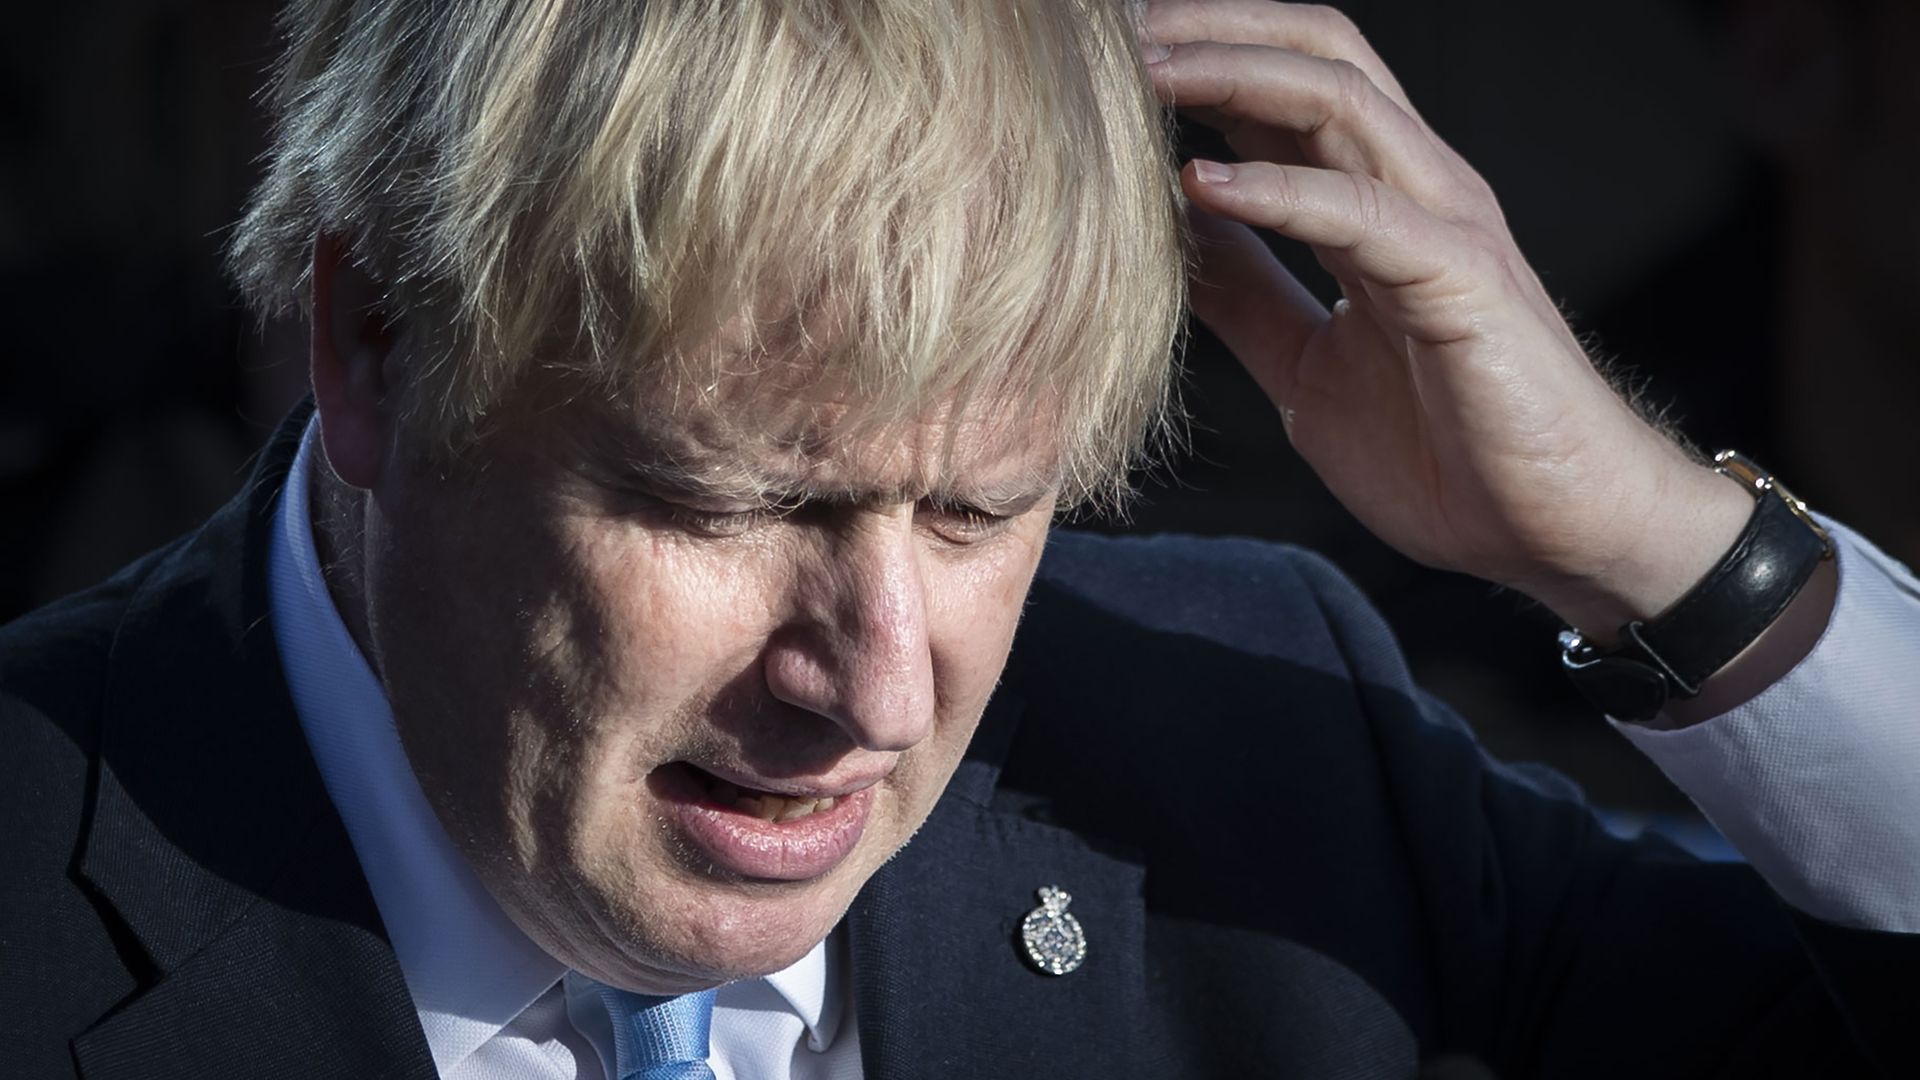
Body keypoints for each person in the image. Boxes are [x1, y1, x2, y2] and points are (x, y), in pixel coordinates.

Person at [4, 0, 1917, 1076]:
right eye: (731, 500)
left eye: (982, 509)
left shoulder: (1252, 748)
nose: (878, 686)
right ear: (369, 344)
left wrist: (1665, 556)